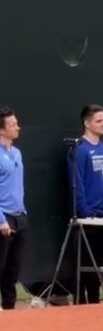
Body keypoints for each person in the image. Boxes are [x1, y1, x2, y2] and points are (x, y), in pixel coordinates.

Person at [69, 104, 103, 304]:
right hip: (89, 215)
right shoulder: (79, 150)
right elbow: (77, 183)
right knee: (86, 262)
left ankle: (95, 300)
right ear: (87, 123)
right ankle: (82, 302)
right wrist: (85, 211)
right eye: (98, 121)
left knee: (99, 263)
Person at [0, 107, 28, 312]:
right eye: (12, 125)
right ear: (1, 130)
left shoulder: (17, 153)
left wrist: (23, 212)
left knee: (13, 268)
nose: (17, 127)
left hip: (20, 216)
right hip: (3, 218)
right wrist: (1, 220)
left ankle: (9, 309)